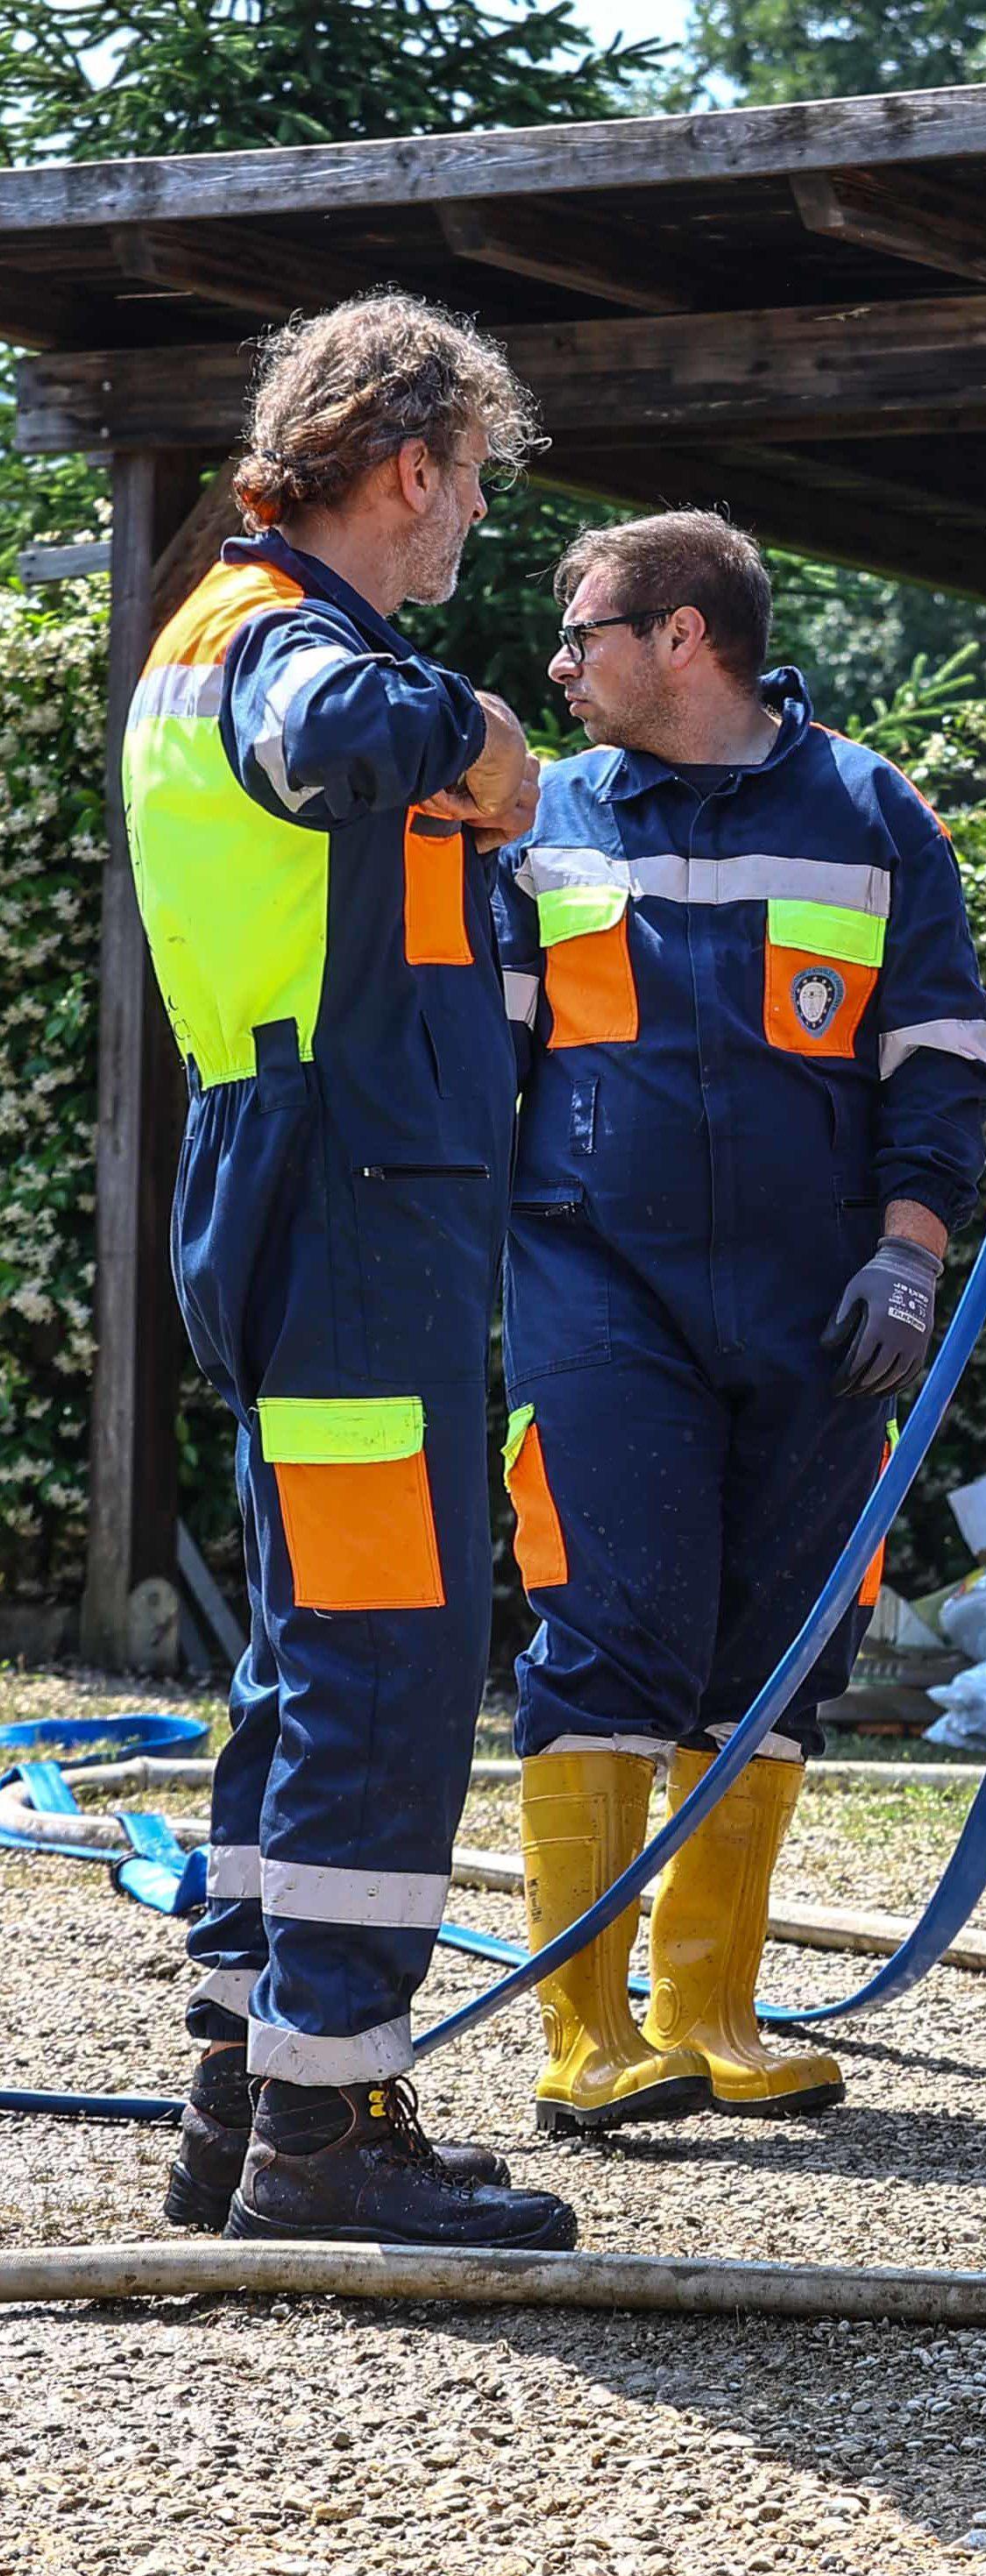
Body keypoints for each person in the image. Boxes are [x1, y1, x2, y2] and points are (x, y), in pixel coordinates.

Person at [124, 294, 577, 2248]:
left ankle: (250, 2094)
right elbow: (339, 743)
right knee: (389, 1649)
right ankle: (329, 2125)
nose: (473, 518)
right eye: (471, 481)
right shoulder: (288, 642)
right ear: (409, 467)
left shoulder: (200, 636)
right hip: (353, 1192)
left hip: (293, 1175)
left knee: (310, 1637)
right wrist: (481, 734)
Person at [492, 512, 986, 2137]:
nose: (560, 667)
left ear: (684, 637)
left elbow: (940, 1055)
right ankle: (585, 2026)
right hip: (594, 1287)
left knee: (782, 1646)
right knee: (608, 1626)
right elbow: (484, 1063)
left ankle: (707, 2007)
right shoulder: (538, 818)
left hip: (817, 1303)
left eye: (585, 636)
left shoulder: (870, 812)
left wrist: (910, 1253)